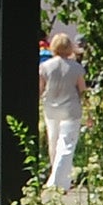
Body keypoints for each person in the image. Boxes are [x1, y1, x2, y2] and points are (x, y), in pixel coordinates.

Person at [38, 30, 85, 191]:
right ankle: (58, 181)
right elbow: (82, 90)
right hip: (71, 109)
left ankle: (57, 179)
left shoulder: (44, 66)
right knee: (66, 145)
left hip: (51, 108)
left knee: (54, 142)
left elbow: (40, 89)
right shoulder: (76, 67)